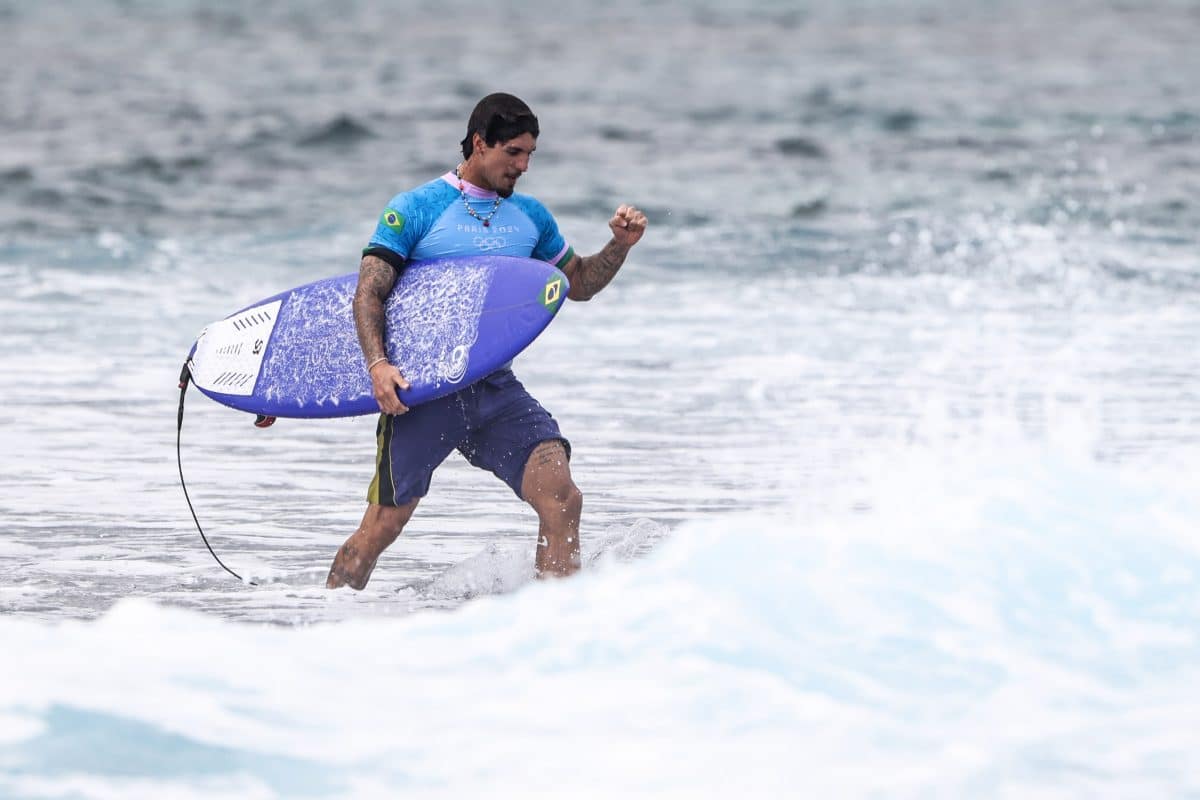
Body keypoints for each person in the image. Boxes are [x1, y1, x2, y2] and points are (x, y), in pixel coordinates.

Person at [326, 93, 647, 590]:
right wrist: (378, 365)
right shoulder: (416, 209)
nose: (523, 165)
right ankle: (323, 621)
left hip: (493, 387)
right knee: (382, 528)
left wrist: (619, 248)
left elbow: (577, 283)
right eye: (513, 153)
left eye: (529, 155)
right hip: (423, 391)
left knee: (562, 496)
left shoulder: (530, 218)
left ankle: (558, 622)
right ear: (480, 143)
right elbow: (369, 291)